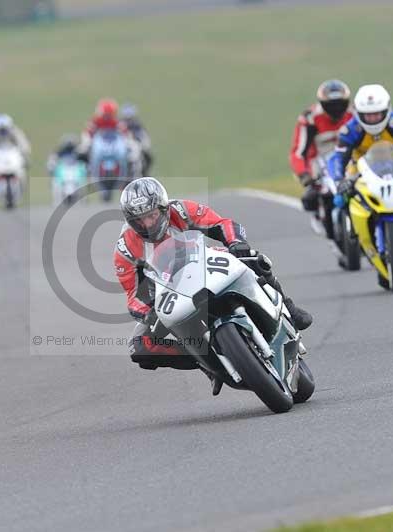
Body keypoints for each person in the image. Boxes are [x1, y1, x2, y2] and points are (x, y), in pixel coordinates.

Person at [114, 177, 313, 395]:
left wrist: (236, 243)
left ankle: (289, 307)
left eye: (151, 216)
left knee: (256, 259)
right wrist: (148, 313)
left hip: (205, 264)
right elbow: (132, 295)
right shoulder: (125, 248)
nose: (148, 224)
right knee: (140, 347)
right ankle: (205, 363)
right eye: (140, 220)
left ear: (163, 208)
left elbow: (221, 224)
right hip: (169, 294)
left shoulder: (180, 210)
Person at [289, 79, 353, 212]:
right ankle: (325, 218)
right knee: (311, 199)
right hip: (320, 166)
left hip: (350, 160)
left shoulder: (355, 114)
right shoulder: (310, 118)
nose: (336, 109)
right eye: (331, 105)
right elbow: (298, 152)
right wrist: (304, 175)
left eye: (340, 104)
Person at [77, 98, 141, 175]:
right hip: (100, 148)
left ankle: (135, 171)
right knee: (83, 150)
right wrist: (87, 142)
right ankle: (86, 169)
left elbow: (125, 132)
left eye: (109, 114)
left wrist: (129, 141)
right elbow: (88, 132)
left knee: (134, 149)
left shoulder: (116, 122)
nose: (107, 117)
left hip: (114, 147)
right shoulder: (96, 121)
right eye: (105, 114)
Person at [120, 103, 154, 175]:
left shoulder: (137, 125)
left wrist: (143, 146)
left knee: (147, 158)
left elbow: (143, 138)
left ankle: (144, 174)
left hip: (136, 146)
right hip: (124, 148)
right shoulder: (120, 125)